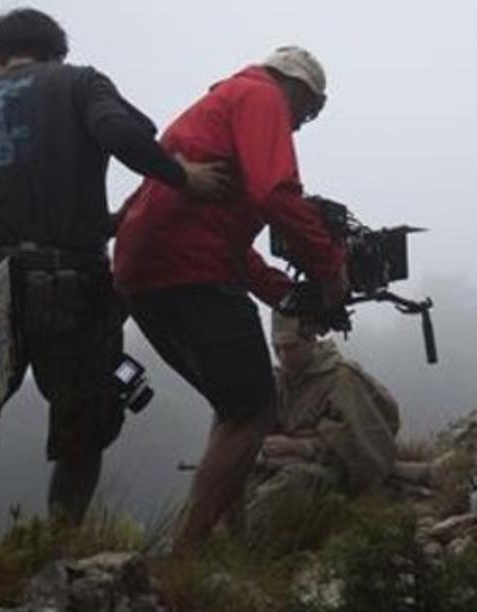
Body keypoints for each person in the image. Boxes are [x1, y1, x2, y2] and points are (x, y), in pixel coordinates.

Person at [0, 8, 226, 534]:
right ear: (57, 52)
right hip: (68, 276)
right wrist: (181, 176)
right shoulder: (79, 81)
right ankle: (62, 537)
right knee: (86, 412)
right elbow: (119, 131)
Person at [114, 46, 349, 548]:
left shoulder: (220, 108)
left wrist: (287, 294)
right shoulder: (260, 97)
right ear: (295, 86)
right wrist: (331, 269)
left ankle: (234, 543)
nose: (303, 124)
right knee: (253, 412)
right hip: (189, 273)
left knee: (234, 404)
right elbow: (276, 193)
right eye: (308, 110)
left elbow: (231, 248)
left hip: (145, 276)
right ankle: (186, 553)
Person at [236, 312, 399, 537]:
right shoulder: (278, 382)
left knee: (292, 484)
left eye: (291, 347)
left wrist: (304, 447)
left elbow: (364, 445)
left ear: (311, 340)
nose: (283, 356)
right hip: (278, 465)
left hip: (332, 473)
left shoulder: (342, 378)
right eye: (277, 348)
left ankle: (247, 547)